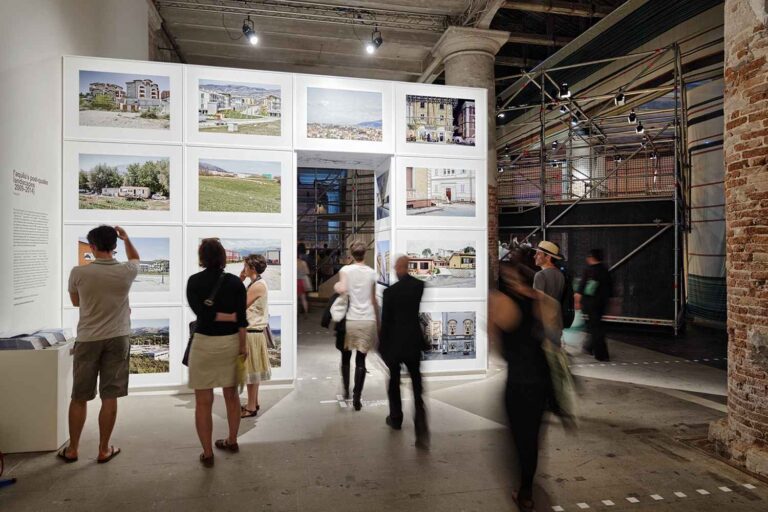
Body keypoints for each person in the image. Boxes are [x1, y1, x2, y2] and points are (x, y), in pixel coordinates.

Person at [58, 225, 139, 464]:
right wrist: (127, 238)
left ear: (92, 247)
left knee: (79, 396)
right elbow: (135, 257)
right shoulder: (126, 270)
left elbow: (76, 302)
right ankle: (104, 449)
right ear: (114, 246)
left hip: (88, 339)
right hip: (118, 337)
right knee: (109, 395)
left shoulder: (78, 272)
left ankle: (73, 449)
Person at [490, 253, 552, 512]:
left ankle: (523, 488)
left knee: (518, 435)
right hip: (541, 376)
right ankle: (527, 487)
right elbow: (551, 336)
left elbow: (497, 350)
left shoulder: (500, 302)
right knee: (534, 437)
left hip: (518, 379)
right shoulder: (542, 301)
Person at [186, 238, 248, 468]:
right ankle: (232, 440)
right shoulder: (235, 283)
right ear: (223, 256)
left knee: (203, 401)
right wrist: (243, 345)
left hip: (203, 344)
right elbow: (241, 319)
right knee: (232, 396)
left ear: (202, 256)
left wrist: (219, 316)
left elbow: (203, 315)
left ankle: (207, 453)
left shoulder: (194, 281)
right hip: (231, 342)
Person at [380, 255, 429, 449]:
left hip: (394, 343)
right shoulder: (419, 287)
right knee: (417, 386)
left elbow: (386, 322)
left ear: (400, 268)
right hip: (413, 342)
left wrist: (382, 346)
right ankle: (421, 429)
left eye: (396, 267)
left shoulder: (390, 292)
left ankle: (396, 417)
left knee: (394, 381)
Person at [334, 241, 378, 411]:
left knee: (346, 357)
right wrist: (378, 322)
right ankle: (357, 398)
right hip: (367, 319)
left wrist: (338, 286)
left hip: (350, 320)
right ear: (365, 254)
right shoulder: (372, 273)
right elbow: (374, 300)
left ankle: (346, 390)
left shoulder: (345, 270)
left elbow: (342, 288)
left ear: (351, 254)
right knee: (361, 360)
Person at [239, 254, 271, 418]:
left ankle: (251, 407)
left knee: (251, 373)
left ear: (251, 268)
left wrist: (240, 280)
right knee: (253, 372)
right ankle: (254, 403)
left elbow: (239, 304)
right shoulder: (256, 283)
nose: (243, 268)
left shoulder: (257, 285)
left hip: (252, 333)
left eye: (245, 266)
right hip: (254, 333)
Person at [575, 248, 613, 362]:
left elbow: (581, 287)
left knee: (595, 328)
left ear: (591, 258)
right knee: (596, 326)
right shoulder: (605, 270)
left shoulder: (589, 270)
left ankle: (601, 354)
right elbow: (610, 289)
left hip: (590, 304)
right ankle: (589, 347)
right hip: (601, 304)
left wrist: (577, 301)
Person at [533, 240, 565, 347]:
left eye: (538, 253)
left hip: (543, 326)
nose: (535, 256)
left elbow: (537, 302)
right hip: (557, 323)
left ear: (548, 257)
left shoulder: (540, 275)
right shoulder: (560, 275)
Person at [296, 244, 311, 317]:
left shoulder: (293, 263)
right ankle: (306, 313)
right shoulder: (303, 263)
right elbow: (307, 272)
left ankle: (297, 313)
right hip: (302, 281)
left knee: (296, 299)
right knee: (303, 298)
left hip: (295, 282)